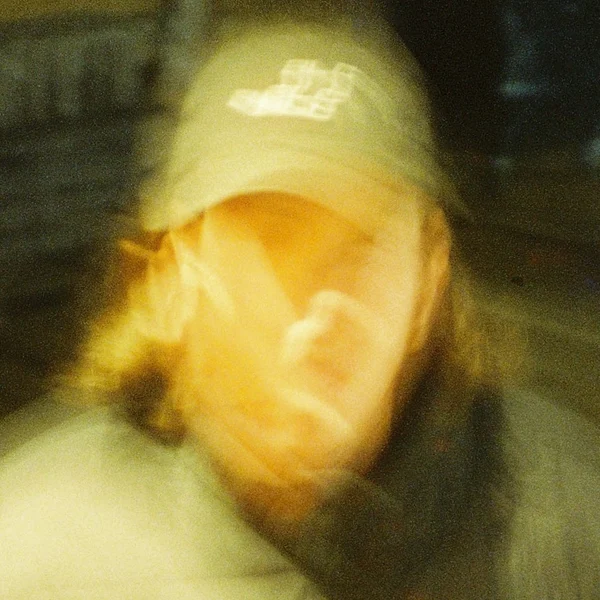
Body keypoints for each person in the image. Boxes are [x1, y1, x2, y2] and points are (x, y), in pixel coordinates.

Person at [1, 4, 599, 599]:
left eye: (362, 247)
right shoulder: (43, 554)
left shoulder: (566, 535)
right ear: (176, 280)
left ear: (428, 276)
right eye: (276, 242)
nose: (326, 307)